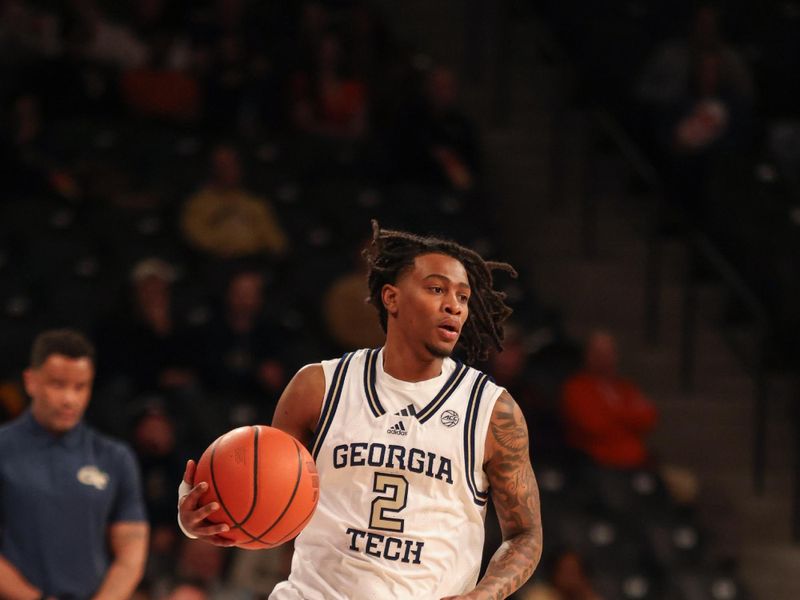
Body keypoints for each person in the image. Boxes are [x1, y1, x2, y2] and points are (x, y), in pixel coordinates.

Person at [178, 221, 543, 599]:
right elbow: (258, 489)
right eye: (437, 289)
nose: (453, 305)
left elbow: (526, 535)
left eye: (463, 297)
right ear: (391, 298)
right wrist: (196, 518)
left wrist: (484, 595)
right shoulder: (318, 386)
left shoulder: (491, 410)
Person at [0, 328, 149, 599]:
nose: (69, 399)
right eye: (57, 384)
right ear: (30, 381)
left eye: (80, 387)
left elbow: (131, 554)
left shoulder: (114, 457)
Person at [560, 330, 658, 469]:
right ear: (588, 355)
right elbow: (594, 425)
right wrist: (627, 415)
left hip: (636, 462)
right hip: (597, 465)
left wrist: (612, 412)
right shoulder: (576, 388)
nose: (604, 358)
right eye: (598, 352)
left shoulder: (625, 388)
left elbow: (649, 418)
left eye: (609, 352)